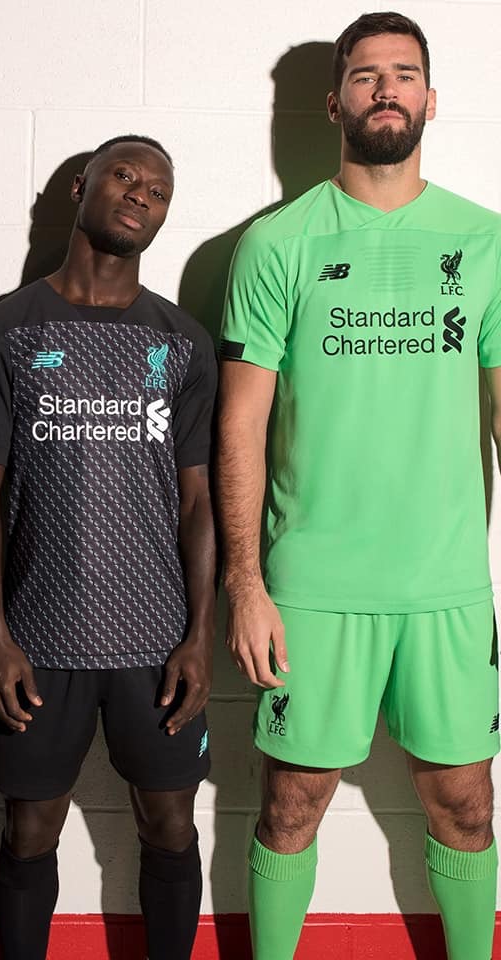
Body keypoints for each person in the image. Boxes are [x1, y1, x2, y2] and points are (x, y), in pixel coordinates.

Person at [218, 13, 499, 960]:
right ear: (333, 103)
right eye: (367, 74)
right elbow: (240, 425)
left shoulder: (485, 241)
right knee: (291, 804)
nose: (387, 88)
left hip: (444, 587)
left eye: (404, 73)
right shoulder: (277, 244)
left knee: (466, 804)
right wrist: (245, 585)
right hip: (312, 588)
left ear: (431, 99)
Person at [0, 136, 217, 960]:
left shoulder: (182, 342)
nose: (141, 193)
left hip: (158, 645)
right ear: (81, 187)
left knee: (170, 824)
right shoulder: (1, 330)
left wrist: (200, 634)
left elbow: (198, 502)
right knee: (29, 831)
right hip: (40, 642)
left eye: (159, 189)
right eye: (125, 175)